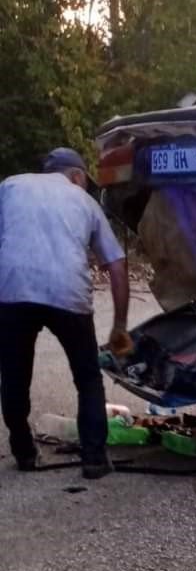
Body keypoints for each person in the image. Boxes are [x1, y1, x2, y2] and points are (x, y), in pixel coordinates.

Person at [0, 147, 132, 479]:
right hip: (68, 293)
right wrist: (119, 326)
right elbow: (116, 266)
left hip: (13, 290)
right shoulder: (84, 200)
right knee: (87, 378)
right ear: (75, 175)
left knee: (14, 376)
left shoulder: (11, 186)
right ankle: (94, 460)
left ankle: (24, 453)